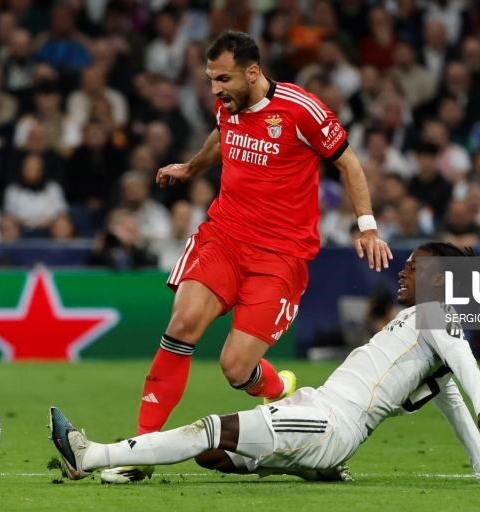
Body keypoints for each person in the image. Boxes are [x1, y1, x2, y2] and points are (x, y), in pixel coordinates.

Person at [50, 242, 480, 484]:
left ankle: (91, 454)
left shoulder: (440, 315)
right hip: (322, 415)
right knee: (213, 456)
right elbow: (451, 398)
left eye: (415, 267)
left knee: (209, 431)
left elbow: (463, 364)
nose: (403, 270)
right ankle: (321, 470)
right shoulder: (423, 324)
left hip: (329, 422)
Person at [128, 30, 391, 457]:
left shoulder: (300, 110)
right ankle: (141, 447)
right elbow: (222, 136)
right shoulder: (227, 105)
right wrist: (192, 168)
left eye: (224, 80)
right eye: (212, 79)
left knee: (235, 368)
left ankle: (277, 385)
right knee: (182, 324)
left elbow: (349, 163)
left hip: (280, 256)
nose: (216, 90)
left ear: (253, 72)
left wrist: (366, 226)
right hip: (225, 237)